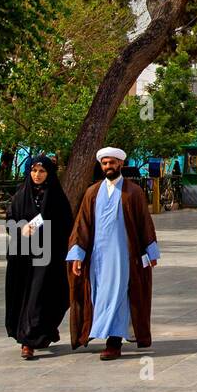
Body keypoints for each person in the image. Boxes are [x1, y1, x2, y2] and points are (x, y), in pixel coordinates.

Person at [66, 147, 159, 360]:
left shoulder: (133, 191)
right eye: (105, 163)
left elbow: (144, 222)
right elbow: (82, 225)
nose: (108, 166)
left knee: (119, 295)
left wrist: (150, 251)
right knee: (99, 296)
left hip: (124, 257)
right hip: (97, 259)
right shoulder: (92, 192)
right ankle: (101, 333)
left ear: (121, 164)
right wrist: (77, 256)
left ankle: (114, 342)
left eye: (112, 163)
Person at [5, 155, 73, 359]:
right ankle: (27, 340)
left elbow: (64, 223)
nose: (37, 175)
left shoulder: (56, 197)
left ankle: (37, 333)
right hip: (23, 256)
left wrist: (34, 226)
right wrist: (20, 229)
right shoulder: (20, 194)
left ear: (49, 173)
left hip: (48, 256)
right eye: (34, 171)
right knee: (24, 295)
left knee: (44, 296)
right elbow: (10, 220)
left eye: (42, 171)